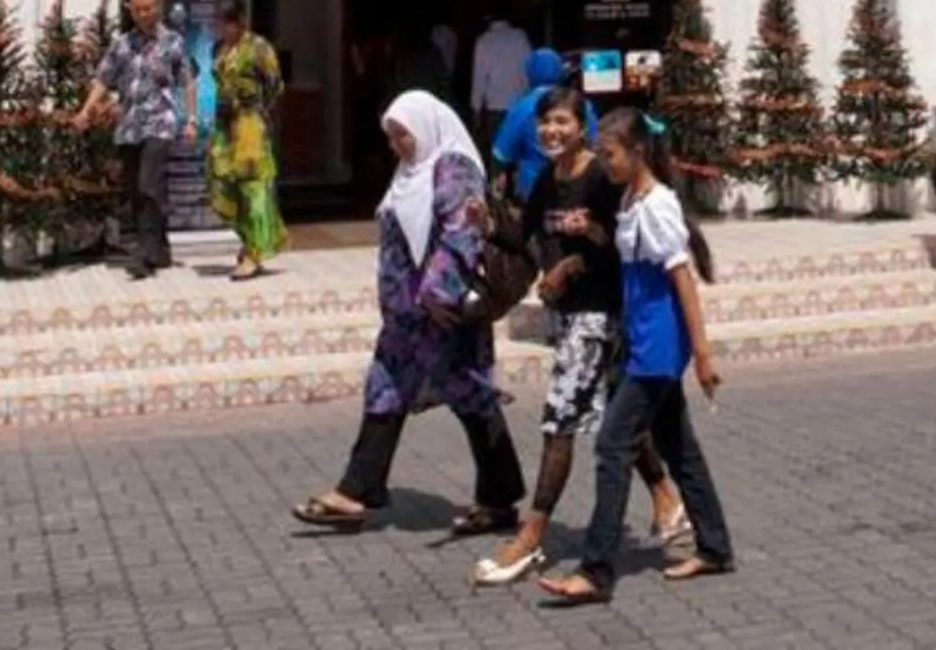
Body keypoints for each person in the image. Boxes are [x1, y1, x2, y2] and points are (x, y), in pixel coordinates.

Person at [472, 87, 688, 588]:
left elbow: (626, 246)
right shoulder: (548, 178)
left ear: (582, 125)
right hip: (567, 317)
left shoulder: (600, 176)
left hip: (601, 316)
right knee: (618, 416)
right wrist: (486, 223)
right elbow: (523, 236)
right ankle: (666, 498)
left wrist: (575, 258)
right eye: (545, 122)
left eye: (563, 122)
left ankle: (531, 536)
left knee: (560, 422)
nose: (552, 131)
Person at [290, 91, 527, 536]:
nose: (397, 144)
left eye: (403, 134)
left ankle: (499, 498)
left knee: (471, 397)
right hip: (405, 316)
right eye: (393, 136)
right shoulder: (409, 172)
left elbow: (460, 235)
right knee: (385, 390)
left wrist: (438, 294)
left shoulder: (453, 168)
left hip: (441, 312)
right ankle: (357, 490)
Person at [536, 108, 735, 607]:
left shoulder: (658, 205)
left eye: (611, 154)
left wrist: (703, 353)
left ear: (637, 151)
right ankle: (714, 548)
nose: (605, 163)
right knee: (679, 448)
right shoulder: (631, 199)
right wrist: (592, 235)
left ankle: (595, 569)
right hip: (640, 337)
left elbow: (681, 278)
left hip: (658, 346)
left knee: (611, 446)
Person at [77, 0, 196, 280]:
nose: (144, 14)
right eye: (138, 9)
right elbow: (103, 80)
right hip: (130, 125)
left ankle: (145, 254)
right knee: (136, 190)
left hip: (161, 120)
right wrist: (87, 110)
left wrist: (191, 119)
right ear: (130, 11)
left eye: (149, 8)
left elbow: (188, 81)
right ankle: (162, 246)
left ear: (158, 8)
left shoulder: (173, 42)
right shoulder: (122, 44)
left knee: (147, 183)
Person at [206, 0, 288, 281]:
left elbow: (275, 86)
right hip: (224, 127)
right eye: (219, 22)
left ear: (241, 20)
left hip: (250, 125)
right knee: (222, 186)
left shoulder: (259, 48)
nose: (223, 28)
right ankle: (247, 242)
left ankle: (253, 253)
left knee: (252, 189)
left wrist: (257, 110)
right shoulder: (218, 48)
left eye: (228, 22)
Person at [490, 48, 595, 201]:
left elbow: (501, 154)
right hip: (579, 188)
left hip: (533, 192)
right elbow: (595, 144)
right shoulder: (581, 104)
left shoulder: (522, 108)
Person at [471, 16, 532, 141]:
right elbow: (529, 69)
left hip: (495, 106)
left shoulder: (484, 41)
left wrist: (476, 108)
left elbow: (480, 77)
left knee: (498, 153)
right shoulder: (520, 37)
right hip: (520, 103)